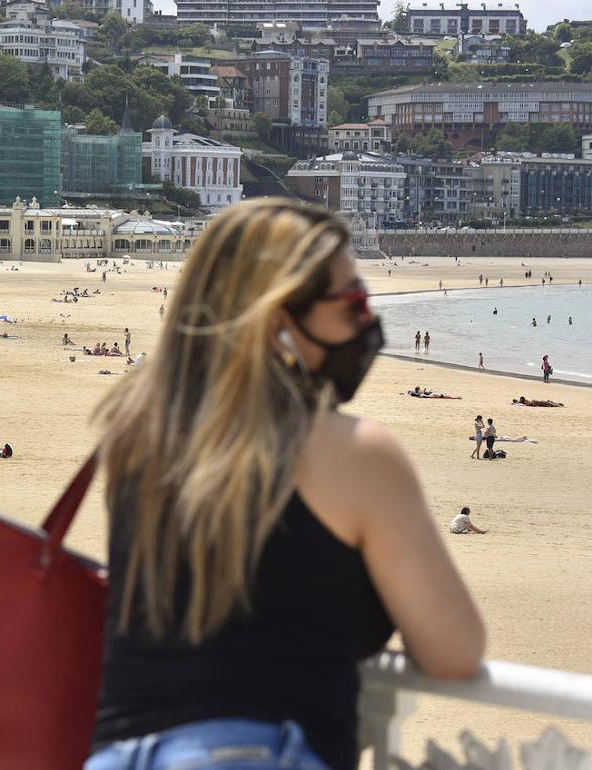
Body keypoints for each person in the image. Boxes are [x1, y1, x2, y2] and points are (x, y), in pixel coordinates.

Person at [88, 199, 483, 770]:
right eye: (353, 302)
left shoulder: (140, 437)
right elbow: (455, 650)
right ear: (279, 320)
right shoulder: (355, 454)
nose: (368, 322)